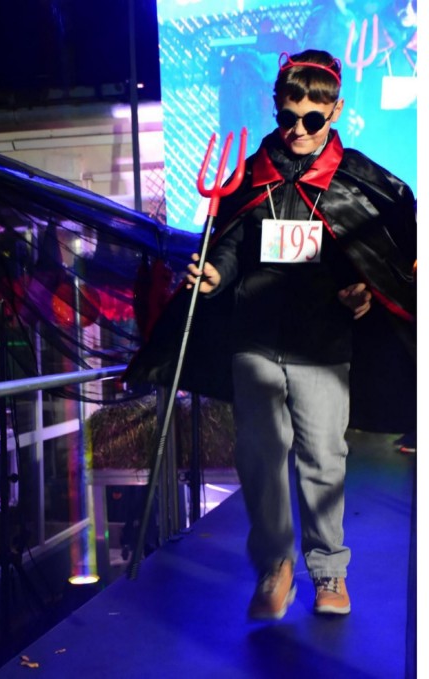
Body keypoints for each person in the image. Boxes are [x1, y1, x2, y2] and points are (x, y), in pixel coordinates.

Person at [124, 48, 416, 621]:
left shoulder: (357, 179)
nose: (299, 129)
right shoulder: (252, 173)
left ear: (335, 111)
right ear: (276, 108)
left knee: (323, 458)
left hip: (322, 345)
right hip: (254, 338)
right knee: (259, 455)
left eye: (313, 118)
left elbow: (371, 251)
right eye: (288, 116)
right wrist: (215, 272)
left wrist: (362, 288)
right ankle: (274, 566)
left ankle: (328, 569)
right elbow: (232, 243)